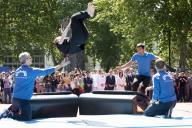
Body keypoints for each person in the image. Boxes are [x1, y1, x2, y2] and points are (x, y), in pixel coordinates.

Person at [0, 52, 69, 121]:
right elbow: (46, 71)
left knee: (16, 114)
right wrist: (61, 65)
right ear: (26, 60)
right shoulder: (32, 71)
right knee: (27, 118)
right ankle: (8, 114)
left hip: (15, 98)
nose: (31, 59)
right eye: (30, 57)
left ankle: (8, 113)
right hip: (23, 100)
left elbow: (16, 81)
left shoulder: (18, 70)